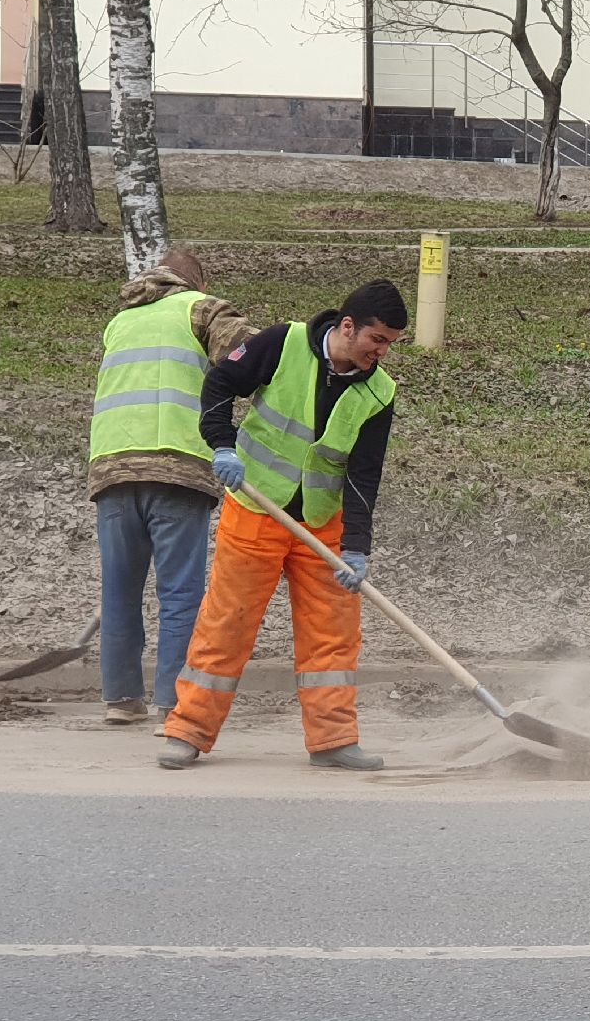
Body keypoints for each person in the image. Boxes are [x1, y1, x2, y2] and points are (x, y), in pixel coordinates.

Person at [157, 280, 407, 771]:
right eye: (376, 339)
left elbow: (364, 476)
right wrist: (222, 444)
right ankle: (188, 731)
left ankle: (333, 740)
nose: (381, 353)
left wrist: (356, 546)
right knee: (227, 624)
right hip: (257, 510)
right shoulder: (281, 343)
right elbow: (219, 385)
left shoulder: (379, 392)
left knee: (333, 634)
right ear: (348, 326)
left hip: (322, 524)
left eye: (389, 344)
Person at [89, 249, 255, 726]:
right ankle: (174, 701)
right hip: (177, 466)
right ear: (195, 283)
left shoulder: (120, 322)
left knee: (120, 592)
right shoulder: (201, 309)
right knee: (180, 595)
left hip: (113, 467)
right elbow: (253, 355)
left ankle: (121, 698)